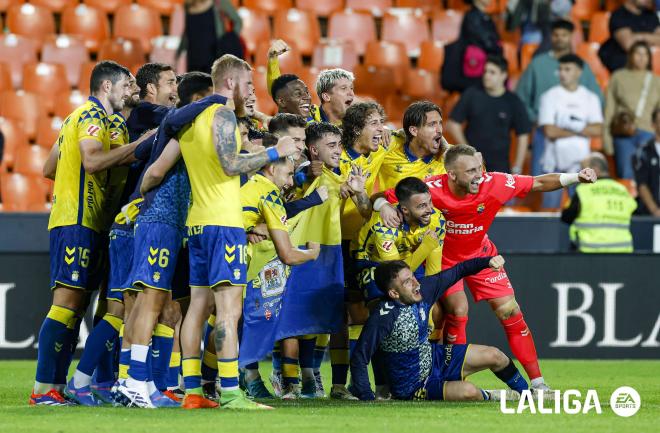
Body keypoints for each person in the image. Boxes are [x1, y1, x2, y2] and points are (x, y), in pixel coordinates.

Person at [375, 144, 598, 393]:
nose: (478, 175)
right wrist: (383, 206)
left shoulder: (494, 183)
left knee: (510, 312)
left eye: (478, 168)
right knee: (458, 312)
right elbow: (385, 196)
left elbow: (537, 183)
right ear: (451, 174)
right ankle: (455, 384)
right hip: (446, 260)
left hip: (482, 255)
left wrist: (576, 177)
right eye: (470, 171)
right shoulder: (431, 189)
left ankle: (538, 384)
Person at [173, 54, 301, 410]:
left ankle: (194, 392)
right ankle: (230, 391)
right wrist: (276, 150)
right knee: (229, 309)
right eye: (247, 83)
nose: (250, 91)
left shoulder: (191, 118)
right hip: (224, 222)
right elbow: (230, 165)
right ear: (229, 83)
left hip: (196, 221)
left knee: (198, 307)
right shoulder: (223, 114)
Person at [30, 61, 136, 406]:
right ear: (107, 87)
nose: (128, 93)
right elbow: (91, 162)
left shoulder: (74, 119)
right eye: (124, 87)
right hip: (77, 221)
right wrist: (136, 149)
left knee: (77, 309)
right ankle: (44, 387)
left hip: (85, 220)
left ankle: (56, 388)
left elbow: (49, 168)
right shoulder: (92, 118)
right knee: (67, 304)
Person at [350, 259, 529, 402]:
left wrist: (487, 261)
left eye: (413, 276)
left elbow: (458, 270)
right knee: (468, 391)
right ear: (394, 294)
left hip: (436, 358)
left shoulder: (424, 290)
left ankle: (528, 395)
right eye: (407, 282)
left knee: (495, 355)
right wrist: (367, 397)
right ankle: (493, 396)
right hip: (413, 385)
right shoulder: (384, 316)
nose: (415, 283)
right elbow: (360, 356)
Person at [350, 177, 446, 400]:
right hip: (374, 266)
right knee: (383, 311)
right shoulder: (385, 223)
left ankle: (422, 376)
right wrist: (427, 246)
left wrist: (428, 310)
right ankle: (376, 384)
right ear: (404, 209)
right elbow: (394, 274)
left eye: (429, 203)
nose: (429, 210)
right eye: (421, 206)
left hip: (409, 263)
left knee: (433, 314)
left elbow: (433, 273)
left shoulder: (436, 219)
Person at [516, 19, 603, 177]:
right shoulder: (538, 64)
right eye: (556, 35)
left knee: (579, 186)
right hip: (544, 130)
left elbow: (597, 99)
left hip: (578, 135)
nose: (560, 38)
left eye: (564, 35)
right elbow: (521, 98)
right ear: (551, 36)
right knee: (544, 183)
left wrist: (579, 126)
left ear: (571, 37)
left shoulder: (581, 66)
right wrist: (535, 118)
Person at [538, 54, 603, 207]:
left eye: (567, 69)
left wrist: (567, 127)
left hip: (581, 164)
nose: (562, 73)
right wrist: (581, 128)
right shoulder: (549, 96)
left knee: (582, 208)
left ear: (579, 72)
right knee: (550, 210)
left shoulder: (590, 98)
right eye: (560, 69)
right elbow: (549, 131)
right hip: (553, 164)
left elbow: (598, 129)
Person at [447, 56, 531, 174]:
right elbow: (453, 124)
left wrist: (517, 166)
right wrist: (468, 151)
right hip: (470, 164)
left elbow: (523, 135)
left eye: (492, 72)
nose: (487, 75)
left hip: (499, 166)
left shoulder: (513, 101)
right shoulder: (472, 94)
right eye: (485, 71)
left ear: (503, 75)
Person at [603, 41, 660, 179]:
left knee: (649, 178)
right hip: (624, 134)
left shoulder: (656, 80)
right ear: (630, 56)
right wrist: (607, 140)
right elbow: (609, 109)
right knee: (626, 176)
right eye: (637, 53)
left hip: (649, 135)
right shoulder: (618, 76)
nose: (641, 57)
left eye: (645, 54)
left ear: (649, 58)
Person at [266, 40, 355, 125]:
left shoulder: (354, 125)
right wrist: (273, 60)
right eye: (343, 88)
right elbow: (280, 91)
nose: (351, 93)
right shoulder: (308, 117)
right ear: (326, 96)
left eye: (351, 88)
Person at [561, 153, 637, 252]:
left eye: (583, 169)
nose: (580, 174)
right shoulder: (623, 190)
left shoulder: (584, 190)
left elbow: (566, 216)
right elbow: (634, 211)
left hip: (591, 252)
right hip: (622, 251)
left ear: (595, 169)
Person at [378, 101, 449, 192]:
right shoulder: (390, 147)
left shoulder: (449, 157)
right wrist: (382, 129)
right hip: (391, 205)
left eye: (440, 123)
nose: (439, 130)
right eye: (432, 124)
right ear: (414, 131)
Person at [177, 0, 243, 73]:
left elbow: (238, 21)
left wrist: (229, 40)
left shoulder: (219, 1)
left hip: (213, 56)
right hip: (193, 58)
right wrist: (178, 53)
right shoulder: (188, 3)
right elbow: (188, 30)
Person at [598, 0, 660, 73]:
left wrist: (639, 36)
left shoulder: (650, 15)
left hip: (648, 67)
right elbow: (628, 44)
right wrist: (652, 38)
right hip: (623, 66)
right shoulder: (619, 15)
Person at [633, 107, 660, 216]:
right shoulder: (643, 151)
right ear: (653, 125)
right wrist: (655, 211)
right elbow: (642, 185)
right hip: (650, 214)